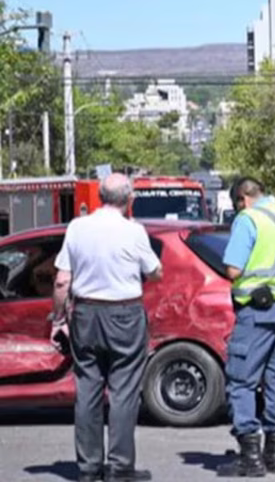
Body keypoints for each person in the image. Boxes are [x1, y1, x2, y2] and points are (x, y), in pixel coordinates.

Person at [51, 173, 161, 482]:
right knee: (124, 392)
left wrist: (58, 319)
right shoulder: (134, 231)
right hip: (124, 314)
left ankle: (88, 469)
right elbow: (154, 272)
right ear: (129, 200)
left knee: (87, 390)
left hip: (85, 312)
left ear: (99, 197)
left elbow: (62, 280)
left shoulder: (77, 227)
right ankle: (120, 468)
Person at [218, 177, 275, 477]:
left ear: (244, 199)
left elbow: (233, 269)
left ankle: (250, 458)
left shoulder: (249, 219)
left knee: (241, 380)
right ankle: (274, 454)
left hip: (258, 311)